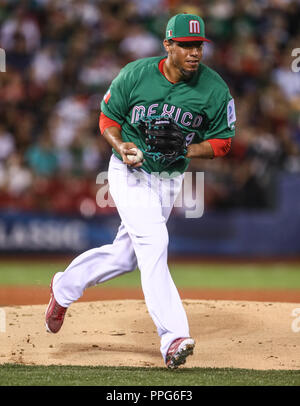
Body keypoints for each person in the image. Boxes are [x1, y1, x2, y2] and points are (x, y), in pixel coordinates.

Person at [45, 13, 236, 369]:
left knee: (125, 257)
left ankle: (64, 288)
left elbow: (224, 142)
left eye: (198, 46)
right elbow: (107, 119)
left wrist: (187, 150)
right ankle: (173, 337)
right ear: (168, 45)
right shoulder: (136, 74)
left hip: (169, 179)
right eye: (186, 45)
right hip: (130, 170)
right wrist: (120, 147)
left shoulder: (214, 89)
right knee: (155, 242)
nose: (194, 53)